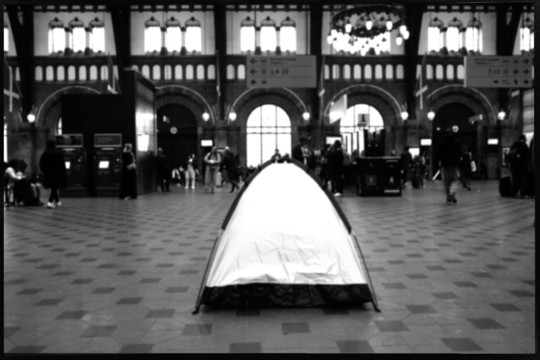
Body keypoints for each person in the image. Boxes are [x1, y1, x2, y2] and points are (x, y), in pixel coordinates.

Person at [39, 139, 67, 209]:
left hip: (48, 173)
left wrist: (44, 171)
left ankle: (57, 201)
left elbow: (41, 164)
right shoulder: (59, 153)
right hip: (58, 173)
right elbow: (62, 163)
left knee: (53, 187)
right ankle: (50, 202)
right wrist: (64, 172)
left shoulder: (45, 153)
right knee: (55, 187)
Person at [438, 128, 461, 205]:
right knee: (454, 180)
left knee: (446, 181)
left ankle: (448, 196)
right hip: (454, 164)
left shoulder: (441, 142)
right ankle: (452, 193)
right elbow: (459, 153)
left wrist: (440, 161)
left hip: (445, 164)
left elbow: (439, 154)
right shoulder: (456, 142)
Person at [508, 134, 530, 198]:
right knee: (523, 180)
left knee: (515, 180)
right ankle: (522, 194)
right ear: (523, 139)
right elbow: (528, 156)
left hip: (514, 167)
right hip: (523, 167)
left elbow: (510, 156)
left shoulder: (513, 146)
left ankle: (513, 193)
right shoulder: (524, 146)